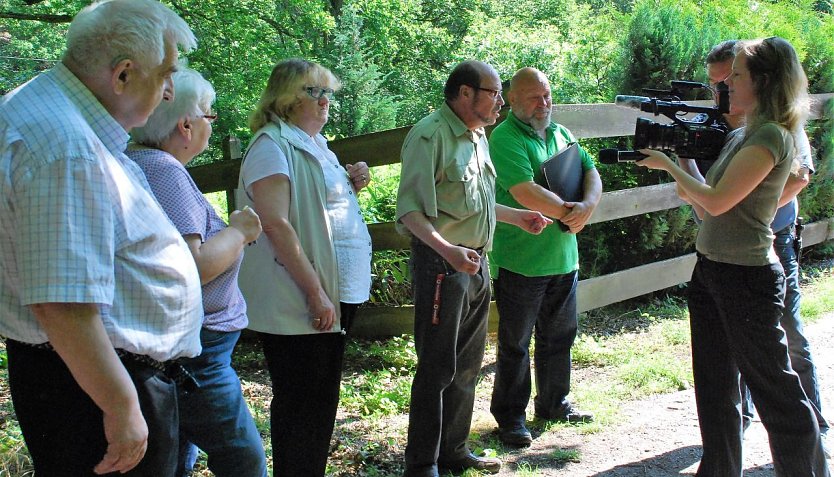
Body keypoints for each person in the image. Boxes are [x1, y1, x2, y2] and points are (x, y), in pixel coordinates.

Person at [0, 0, 203, 475]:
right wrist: (121, 407)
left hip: (82, 378)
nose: (170, 91)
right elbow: (62, 304)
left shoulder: (47, 112)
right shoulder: (67, 148)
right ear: (124, 74)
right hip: (91, 390)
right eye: (166, 74)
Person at [636, 37, 829, 476]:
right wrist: (682, 165)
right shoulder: (744, 134)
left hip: (747, 276)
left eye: (737, 75)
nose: (727, 85)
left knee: (775, 389)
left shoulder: (770, 136)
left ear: (763, 81)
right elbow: (706, 207)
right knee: (716, 386)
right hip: (713, 269)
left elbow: (718, 201)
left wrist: (668, 165)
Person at [396, 60, 552, 477]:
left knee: (467, 365)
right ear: (465, 93)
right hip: (442, 266)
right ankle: (422, 463)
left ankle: (454, 451)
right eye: (494, 93)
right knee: (437, 368)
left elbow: (476, 203)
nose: (501, 102)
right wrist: (448, 251)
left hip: (476, 262)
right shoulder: (429, 136)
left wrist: (518, 217)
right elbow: (410, 212)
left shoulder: (479, 134)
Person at [127, 67, 268, 477]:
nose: (212, 124)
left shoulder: (137, 162)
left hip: (184, 344)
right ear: (186, 126)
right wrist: (240, 231)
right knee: (244, 460)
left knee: (174, 455)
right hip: (199, 350)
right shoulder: (164, 170)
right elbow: (192, 267)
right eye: (210, 115)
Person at [235, 58, 372, 477]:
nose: (325, 100)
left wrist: (350, 182)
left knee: (319, 400)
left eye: (328, 92)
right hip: (299, 296)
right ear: (286, 98)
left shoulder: (315, 144)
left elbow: (320, 208)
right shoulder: (270, 146)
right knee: (302, 402)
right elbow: (276, 224)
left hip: (336, 290)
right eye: (314, 91)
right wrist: (315, 292)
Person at [488, 67, 602, 447]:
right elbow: (524, 191)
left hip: (563, 258)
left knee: (559, 336)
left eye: (547, 95)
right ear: (512, 100)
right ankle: (510, 418)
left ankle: (554, 404)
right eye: (534, 97)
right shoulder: (504, 137)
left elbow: (591, 171)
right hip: (521, 260)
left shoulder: (561, 133)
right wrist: (572, 214)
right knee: (516, 344)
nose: (544, 103)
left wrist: (587, 206)